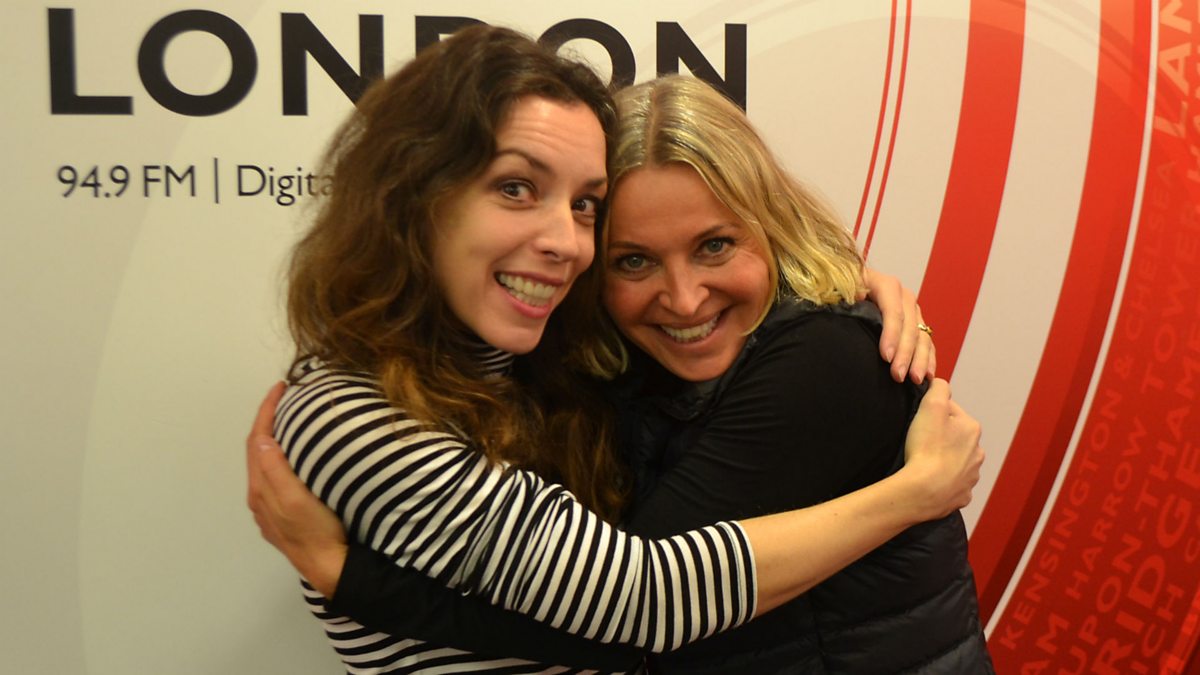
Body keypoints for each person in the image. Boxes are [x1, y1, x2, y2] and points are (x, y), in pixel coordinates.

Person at [248, 24, 983, 674]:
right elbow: (640, 605)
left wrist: (348, 578)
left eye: (582, 205)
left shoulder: (825, 355)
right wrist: (911, 494)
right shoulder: (358, 407)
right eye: (516, 188)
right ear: (411, 196)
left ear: (771, 224)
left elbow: (634, 613)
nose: (563, 240)